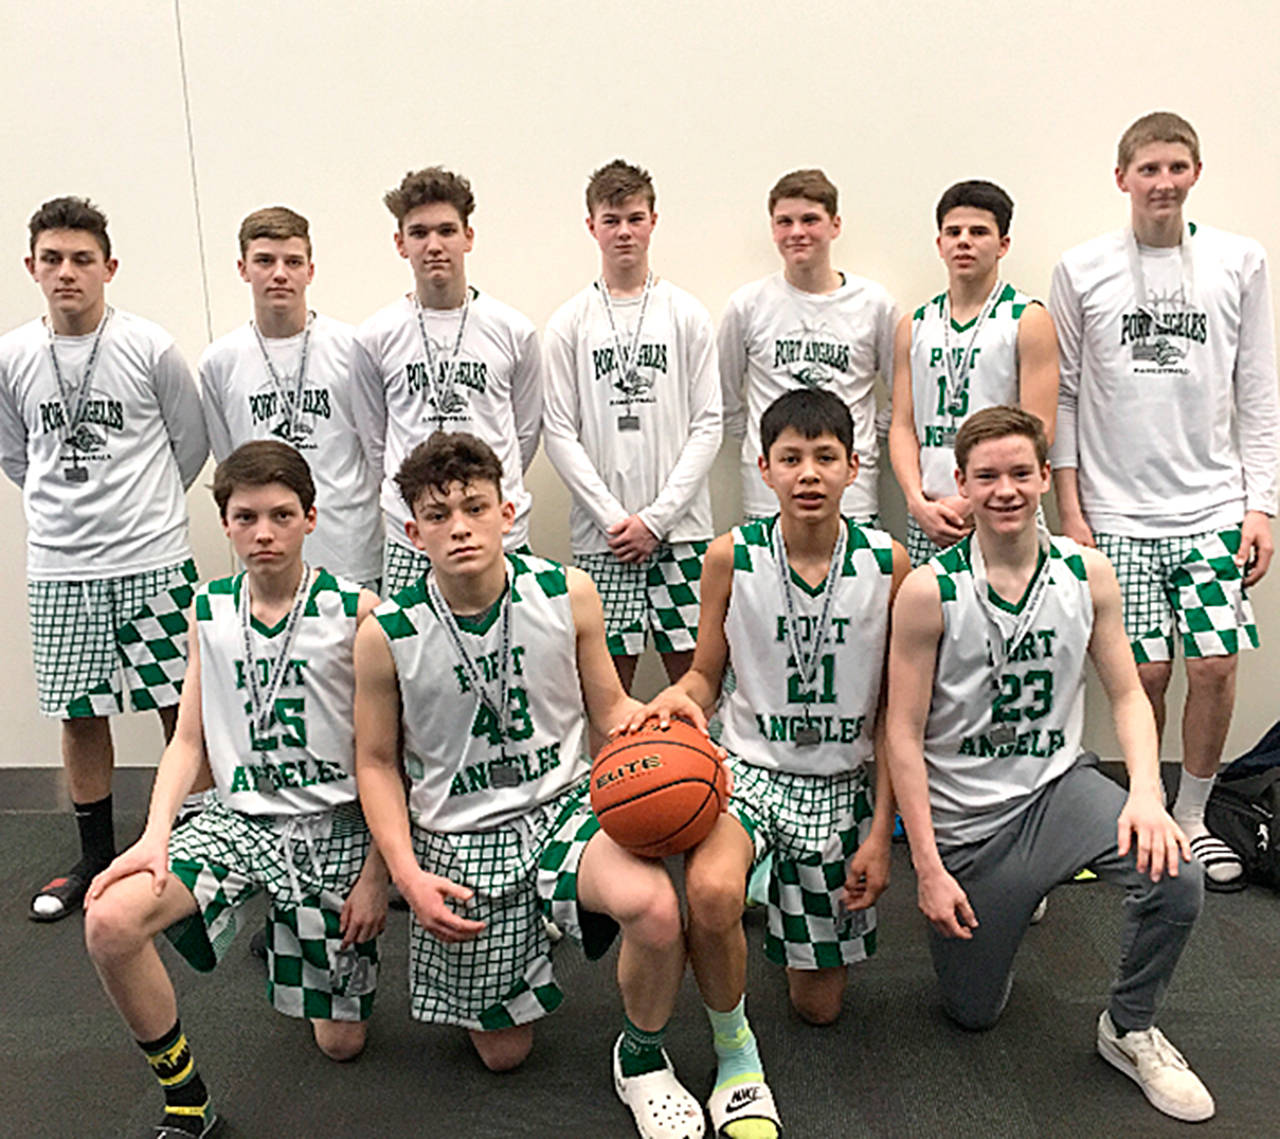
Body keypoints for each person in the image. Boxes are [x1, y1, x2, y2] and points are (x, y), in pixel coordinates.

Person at [354, 431, 705, 1139]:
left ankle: (639, 1060)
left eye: (475, 507)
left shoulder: (566, 592)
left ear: (508, 511)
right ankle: (540, 923)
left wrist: (662, 713)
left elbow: (611, 710)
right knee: (503, 1055)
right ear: (412, 531)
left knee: (657, 908)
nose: (459, 526)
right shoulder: (384, 632)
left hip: (561, 808)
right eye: (438, 513)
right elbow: (376, 763)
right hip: (460, 832)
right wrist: (406, 877)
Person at [885, 404, 1213, 1123]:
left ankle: (1128, 1028)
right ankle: (1013, 893)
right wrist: (931, 869)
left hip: (1057, 790)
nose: (1005, 489)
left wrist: (1148, 795)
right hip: (970, 822)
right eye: (987, 476)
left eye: (1020, 473)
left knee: (1178, 875)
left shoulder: (1085, 572)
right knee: (973, 1013)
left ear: (1042, 477)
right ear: (962, 487)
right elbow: (902, 735)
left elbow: (1127, 692)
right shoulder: (928, 591)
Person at [84, 440, 387, 1138]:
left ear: (312, 517)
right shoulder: (209, 609)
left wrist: (377, 873)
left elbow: (389, 754)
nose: (264, 533)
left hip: (332, 831)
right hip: (239, 821)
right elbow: (188, 741)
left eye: (282, 515)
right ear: (224, 522)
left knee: (340, 1045)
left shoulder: (357, 610)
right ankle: (188, 1098)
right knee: (109, 920)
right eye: (246, 516)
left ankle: (290, 926)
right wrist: (153, 836)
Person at [633, 388, 907, 1139]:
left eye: (825, 457)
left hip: (840, 785)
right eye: (791, 457)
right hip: (749, 773)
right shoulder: (731, 553)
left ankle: (775, 899)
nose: (808, 472)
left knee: (818, 1007)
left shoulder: (888, 560)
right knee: (713, 893)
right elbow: (705, 673)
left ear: (855, 466)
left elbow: (894, 714)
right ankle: (736, 1055)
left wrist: (882, 832)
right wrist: (678, 699)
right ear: (764, 467)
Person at [1050, 111, 1279, 889]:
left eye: (1177, 166)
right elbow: (1068, 397)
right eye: (1148, 168)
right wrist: (1071, 513)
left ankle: (1192, 815)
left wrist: (1261, 506)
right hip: (1116, 515)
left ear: (1196, 173)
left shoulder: (1238, 262)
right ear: (1122, 178)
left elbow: (1259, 390)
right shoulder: (1083, 269)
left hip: (1213, 508)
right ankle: (1138, 811)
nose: (1163, 182)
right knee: (1142, 677)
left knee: (1214, 665)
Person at [0, 196, 209, 922]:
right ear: (31, 267)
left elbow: (190, 444)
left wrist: (137, 513)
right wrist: (73, 517)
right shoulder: (13, 355)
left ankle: (202, 846)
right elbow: (16, 455)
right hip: (61, 569)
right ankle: (93, 857)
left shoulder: (148, 347)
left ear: (108, 268)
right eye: (52, 259)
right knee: (79, 712)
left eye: (82, 259)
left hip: (151, 558)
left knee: (181, 707)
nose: (67, 273)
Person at [543, 159, 721, 691]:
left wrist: (657, 521)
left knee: (694, 684)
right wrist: (616, 520)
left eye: (635, 218)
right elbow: (557, 431)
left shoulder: (685, 314)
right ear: (591, 226)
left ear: (653, 221)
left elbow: (708, 423)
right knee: (605, 691)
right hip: (605, 539)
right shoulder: (570, 322)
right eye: (612, 218)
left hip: (683, 535)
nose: (624, 231)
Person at [351, 167, 542, 596]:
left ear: (468, 237)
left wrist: (479, 500)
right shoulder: (374, 337)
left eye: (446, 231)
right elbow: (375, 442)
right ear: (400, 244)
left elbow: (524, 432)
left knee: (516, 651)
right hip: (411, 537)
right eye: (418, 233)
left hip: (499, 534)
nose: (434, 245)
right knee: (410, 657)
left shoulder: (514, 330)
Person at [198, 206, 381, 587]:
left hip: (350, 551)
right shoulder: (220, 361)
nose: (279, 274)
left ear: (310, 271)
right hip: (268, 558)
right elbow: (230, 461)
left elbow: (378, 447)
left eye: (292, 261)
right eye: (264, 261)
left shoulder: (353, 348)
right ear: (243, 268)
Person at [889, 179, 1058, 566]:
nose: (964, 241)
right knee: (933, 619)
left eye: (979, 232)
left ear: (1003, 245)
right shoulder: (914, 324)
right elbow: (902, 424)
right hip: (931, 514)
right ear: (939, 244)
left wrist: (973, 501)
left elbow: (1041, 427)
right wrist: (916, 502)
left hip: (1004, 506)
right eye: (954, 232)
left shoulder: (1026, 319)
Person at [719, 168, 898, 525]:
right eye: (784, 222)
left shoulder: (875, 305)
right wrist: (764, 442)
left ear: (835, 225)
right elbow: (724, 398)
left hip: (853, 497)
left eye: (810, 220)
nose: (797, 232)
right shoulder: (748, 305)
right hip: (768, 496)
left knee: (855, 581)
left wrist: (859, 439)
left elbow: (903, 398)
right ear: (773, 229)